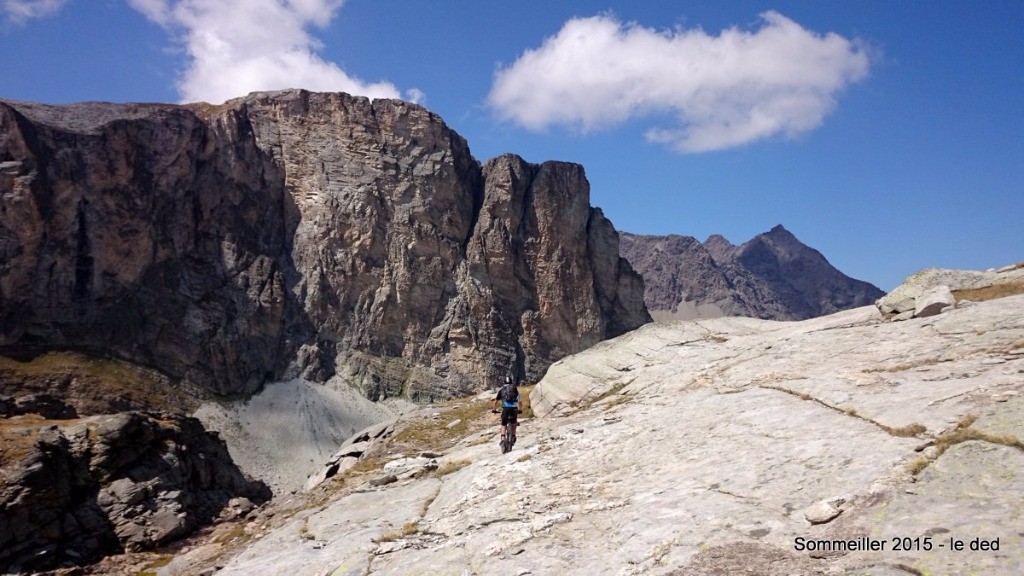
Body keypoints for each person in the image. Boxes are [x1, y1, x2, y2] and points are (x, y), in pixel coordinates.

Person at [492, 375, 520, 445]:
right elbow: (520, 402)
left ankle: (503, 439)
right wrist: (520, 410)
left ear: (504, 382)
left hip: (505, 409)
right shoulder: (514, 389)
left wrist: (494, 409)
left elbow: (495, 401)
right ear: (511, 382)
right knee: (514, 423)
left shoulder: (502, 390)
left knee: (503, 424)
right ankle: (513, 436)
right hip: (514, 409)